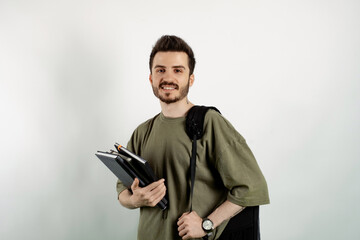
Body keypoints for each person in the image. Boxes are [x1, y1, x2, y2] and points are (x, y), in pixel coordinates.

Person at [117, 35, 269, 240]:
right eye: (160, 70)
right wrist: (135, 200)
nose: (168, 78)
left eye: (178, 70)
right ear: (151, 78)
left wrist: (207, 225)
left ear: (191, 79)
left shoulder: (209, 123)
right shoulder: (142, 132)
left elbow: (251, 187)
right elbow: (122, 190)